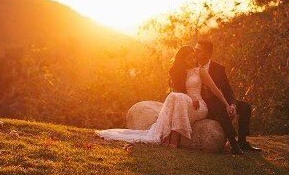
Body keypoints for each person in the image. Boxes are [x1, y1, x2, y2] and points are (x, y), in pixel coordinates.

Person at [95, 46, 232, 148]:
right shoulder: (178, 73)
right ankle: (172, 139)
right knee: (174, 96)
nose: (192, 60)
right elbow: (178, 93)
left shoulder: (200, 71)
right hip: (185, 103)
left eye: (193, 57)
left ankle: (173, 139)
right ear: (182, 60)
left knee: (176, 97)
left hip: (199, 106)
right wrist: (190, 98)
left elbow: (215, 89)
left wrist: (227, 104)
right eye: (188, 58)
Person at [194, 39, 261, 154]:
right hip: (202, 104)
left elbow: (227, 89)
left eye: (198, 50)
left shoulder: (219, 68)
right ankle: (233, 144)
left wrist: (232, 105)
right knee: (219, 105)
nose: (195, 52)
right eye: (195, 49)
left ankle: (242, 142)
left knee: (245, 107)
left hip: (219, 101)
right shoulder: (191, 65)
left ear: (207, 53)